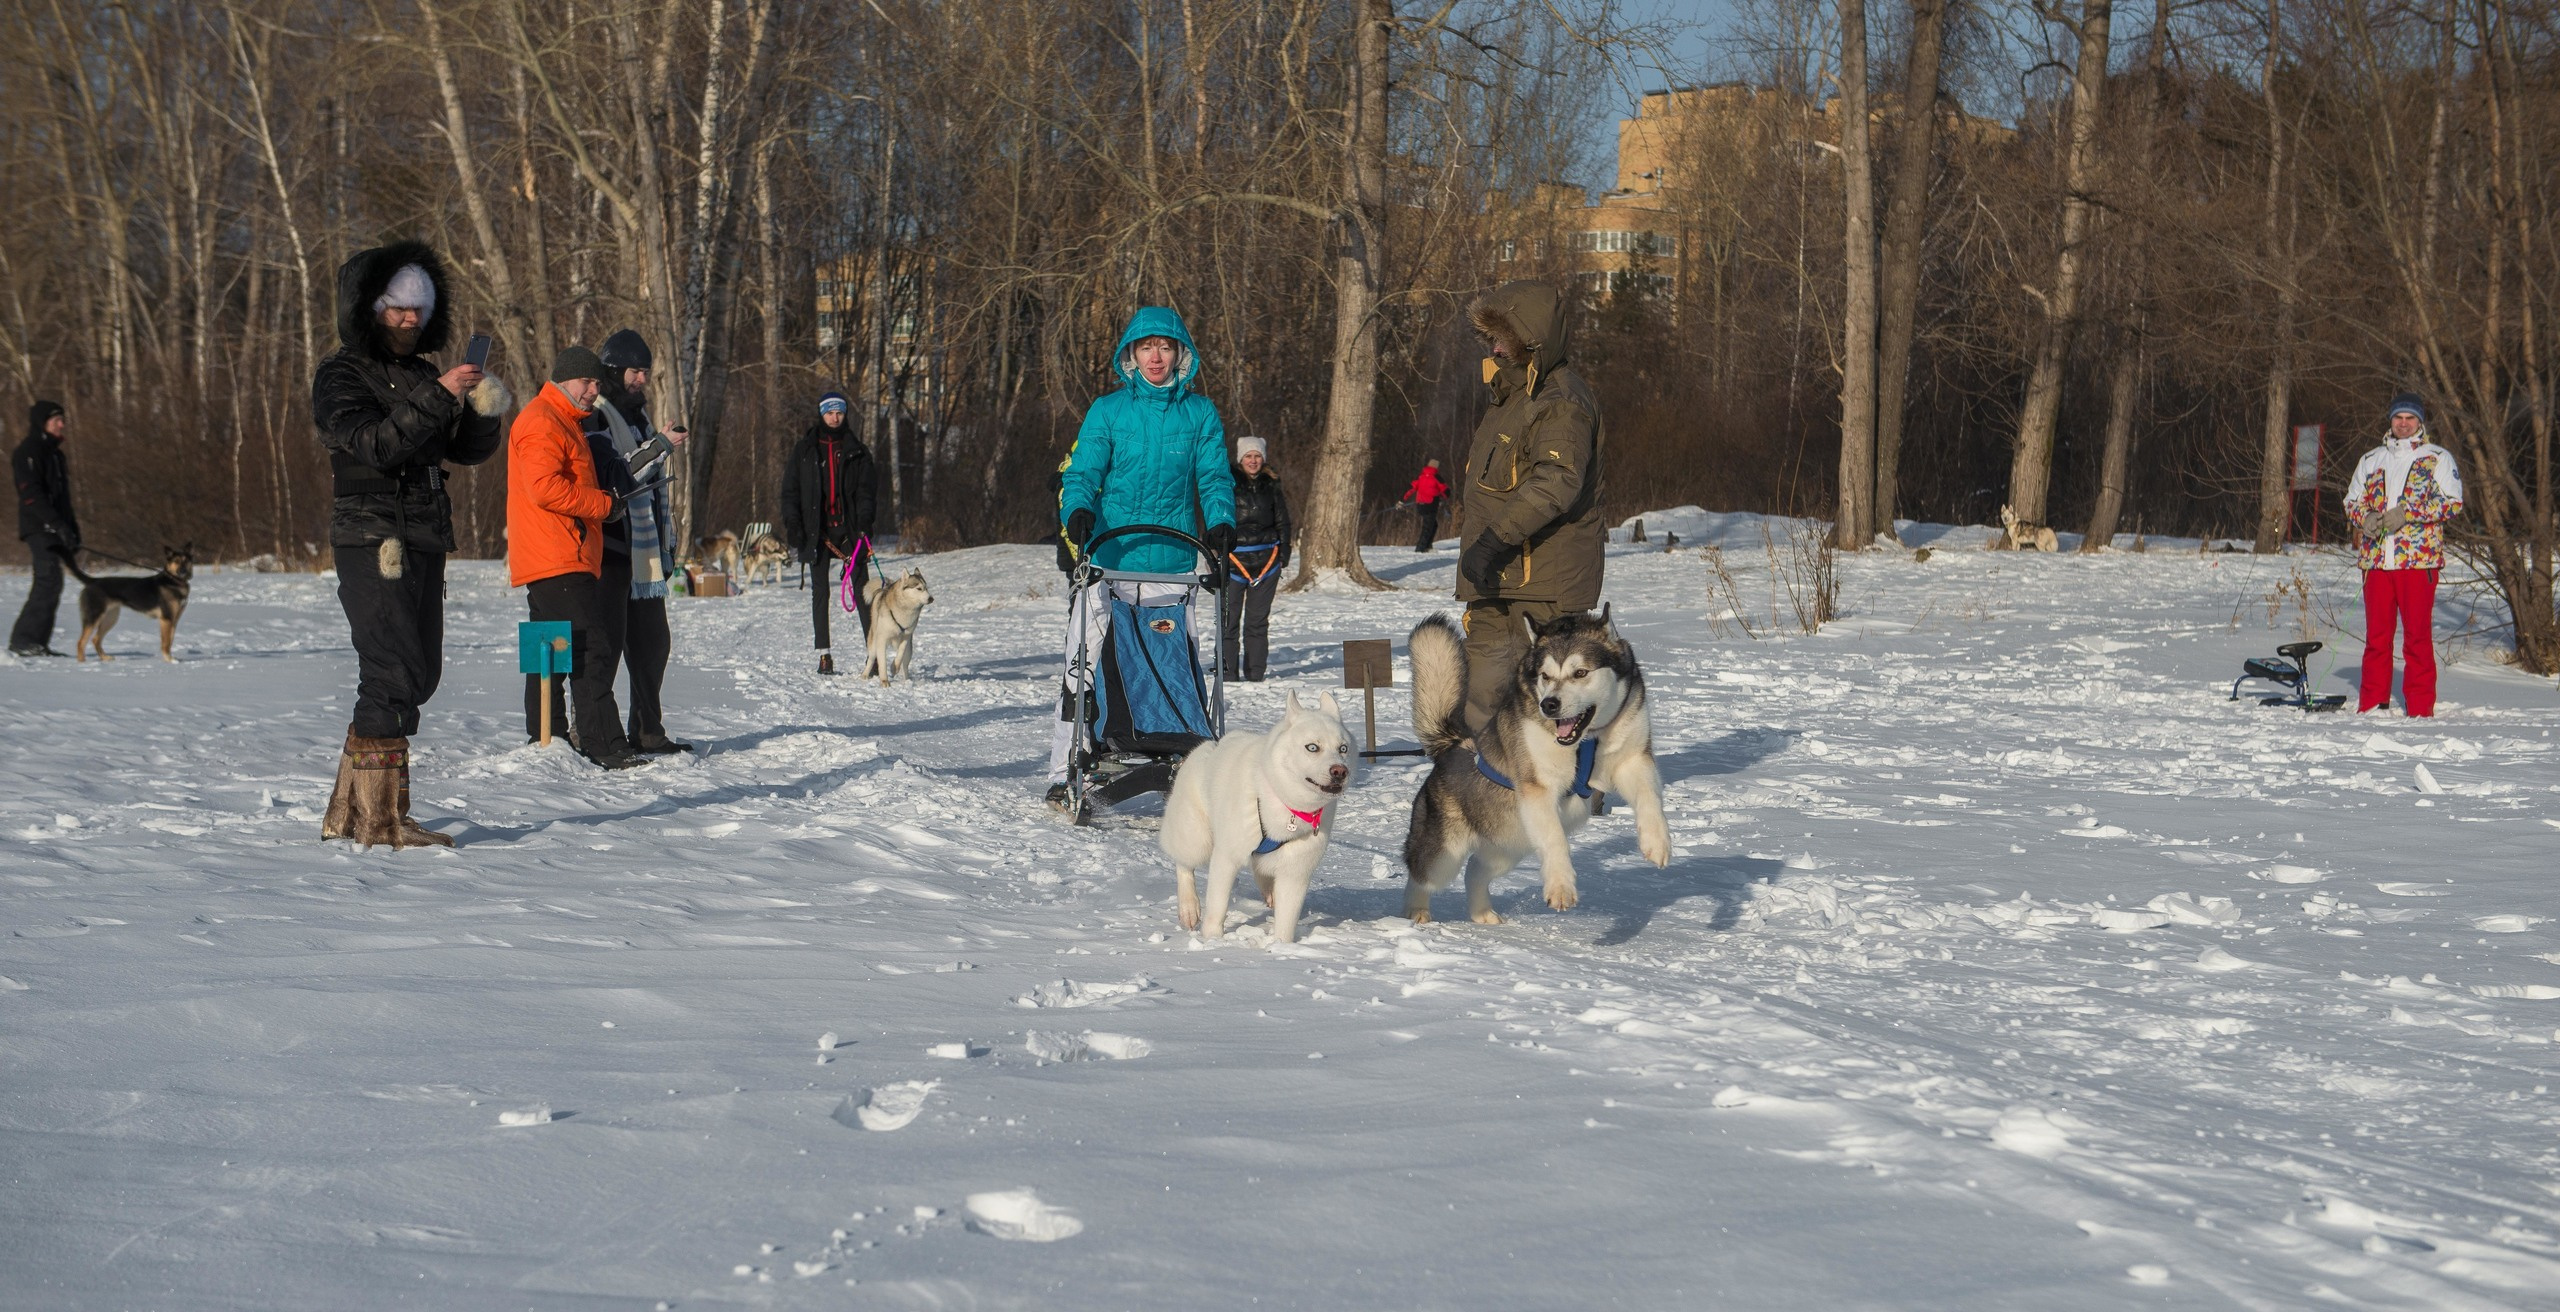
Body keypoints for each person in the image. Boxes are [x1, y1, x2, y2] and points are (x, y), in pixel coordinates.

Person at [311, 241, 508, 846]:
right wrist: (440, 394)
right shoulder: (341, 375)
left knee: (419, 675)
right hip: (372, 536)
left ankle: (348, 812)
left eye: (418, 308)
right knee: (392, 671)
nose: (409, 319)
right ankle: (379, 818)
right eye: (398, 308)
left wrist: (479, 409)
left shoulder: (423, 374)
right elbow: (374, 445)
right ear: (368, 308)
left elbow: (463, 451)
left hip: (422, 532)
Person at [1049, 307, 1236, 807]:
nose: (1157, 356)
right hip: (1111, 555)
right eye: (1148, 346)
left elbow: (1215, 477)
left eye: (1167, 346)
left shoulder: (1199, 414)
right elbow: (1082, 473)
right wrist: (1079, 512)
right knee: (1084, 658)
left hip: (1175, 560)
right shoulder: (1108, 411)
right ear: (1131, 353)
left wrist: (1221, 522)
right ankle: (1068, 761)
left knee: (1173, 661)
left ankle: (1181, 749)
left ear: (1181, 355)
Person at [1454, 280, 1606, 733]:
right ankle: (1492, 792)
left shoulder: (1561, 401)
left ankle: (1569, 793)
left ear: (1531, 339)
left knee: (1553, 702)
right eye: (1491, 337)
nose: (1495, 346)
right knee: (1486, 694)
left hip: (1545, 584)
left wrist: (1493, 540)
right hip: (1494, 578)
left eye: (1503, 336)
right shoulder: (1510, 398)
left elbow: (1556, 482)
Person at [510, 346, 645, 769]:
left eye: (597, 384)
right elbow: (544, 488)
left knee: (548, 651)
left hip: (554, 555)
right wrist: (603, 505)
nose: (593, 391)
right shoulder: (543, 421)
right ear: (564, 379)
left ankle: (546, 738)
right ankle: (603, 744)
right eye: (587, 382)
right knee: (591, 649)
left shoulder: (560, 420)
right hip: (558, 555)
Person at [585, 329, 690, 752]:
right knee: (606, 650)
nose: (642, 379)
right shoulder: (595, 415)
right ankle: (597, 735)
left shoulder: (638, 418)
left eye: (645, 372)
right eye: (634, 371)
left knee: (653, 645)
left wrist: (667, 544)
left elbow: (655, 487)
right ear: (612, 371)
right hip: (611, 551)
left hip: (644, 558)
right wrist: (661, 446)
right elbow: (616, 474)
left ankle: (648, 731)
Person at [2347, 393, 2463, 717]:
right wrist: (2365, 518)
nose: (2403, 423)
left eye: (2409, 418)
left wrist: (2408, 513)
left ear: (2419, 422)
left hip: (2417, 561)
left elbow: (2452, 502)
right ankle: (2372, 704)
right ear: (2390, 421)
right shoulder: (2371, 460)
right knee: (2377, 639)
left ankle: (2420, 707)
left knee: (2417, 637)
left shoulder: (2437, 458)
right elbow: (2351, 501)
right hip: (2377, 562)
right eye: (2398, 418)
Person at [779, 392, 877, 676]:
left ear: (845, 414)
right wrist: (794, 526)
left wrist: (865, 525)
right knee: (820, 592)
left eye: (840, 413)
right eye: (829, 413)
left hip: (849, 530)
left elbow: (867, 493)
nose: (835, 418)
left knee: (863, 592)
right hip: (816, 531)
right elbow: (790, 493)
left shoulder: (857, 449)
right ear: (821, 414)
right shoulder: (805, 450)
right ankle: (824, 654)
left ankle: (873, 653)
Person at [1221, 435, 1290, 682]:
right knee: (1228, 622)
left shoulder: (1272, 485)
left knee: (1257, 622)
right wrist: (1215, 554)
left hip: (1266, 562)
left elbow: (1282, 520)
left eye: (1257, 456)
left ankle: (1255, 674)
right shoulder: (1226, 483)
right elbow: (1215, 520)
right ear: (1240, 459)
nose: (1253, 460)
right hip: (1233, 563)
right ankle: (1228, 674)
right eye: (1248, 456)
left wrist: (1284, 552)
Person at [10, 401, 76, 657]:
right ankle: (24, 641)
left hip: (55, 527)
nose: (62, 424)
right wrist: (57, 525)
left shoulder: (56, 455)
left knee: (53, 583)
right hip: (39, 526)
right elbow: (31, 495)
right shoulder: (29, 451)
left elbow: (63, 498)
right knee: (48, 580)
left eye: (62, 419)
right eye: (56, 420)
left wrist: (72, 529)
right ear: (42, 423)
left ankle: (37, 642)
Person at [1401, 457, 1449, 552]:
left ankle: (1427, 545)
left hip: (1420, 505)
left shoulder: (1420, 476)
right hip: (1431, 505)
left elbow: (1411, 488)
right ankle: (1421, 548)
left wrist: (1402, 500)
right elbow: (1446, 491)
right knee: (1427, 527)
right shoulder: (1437, 477)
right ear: (1436, 467)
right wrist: (1441, 495)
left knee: (1433, 525)